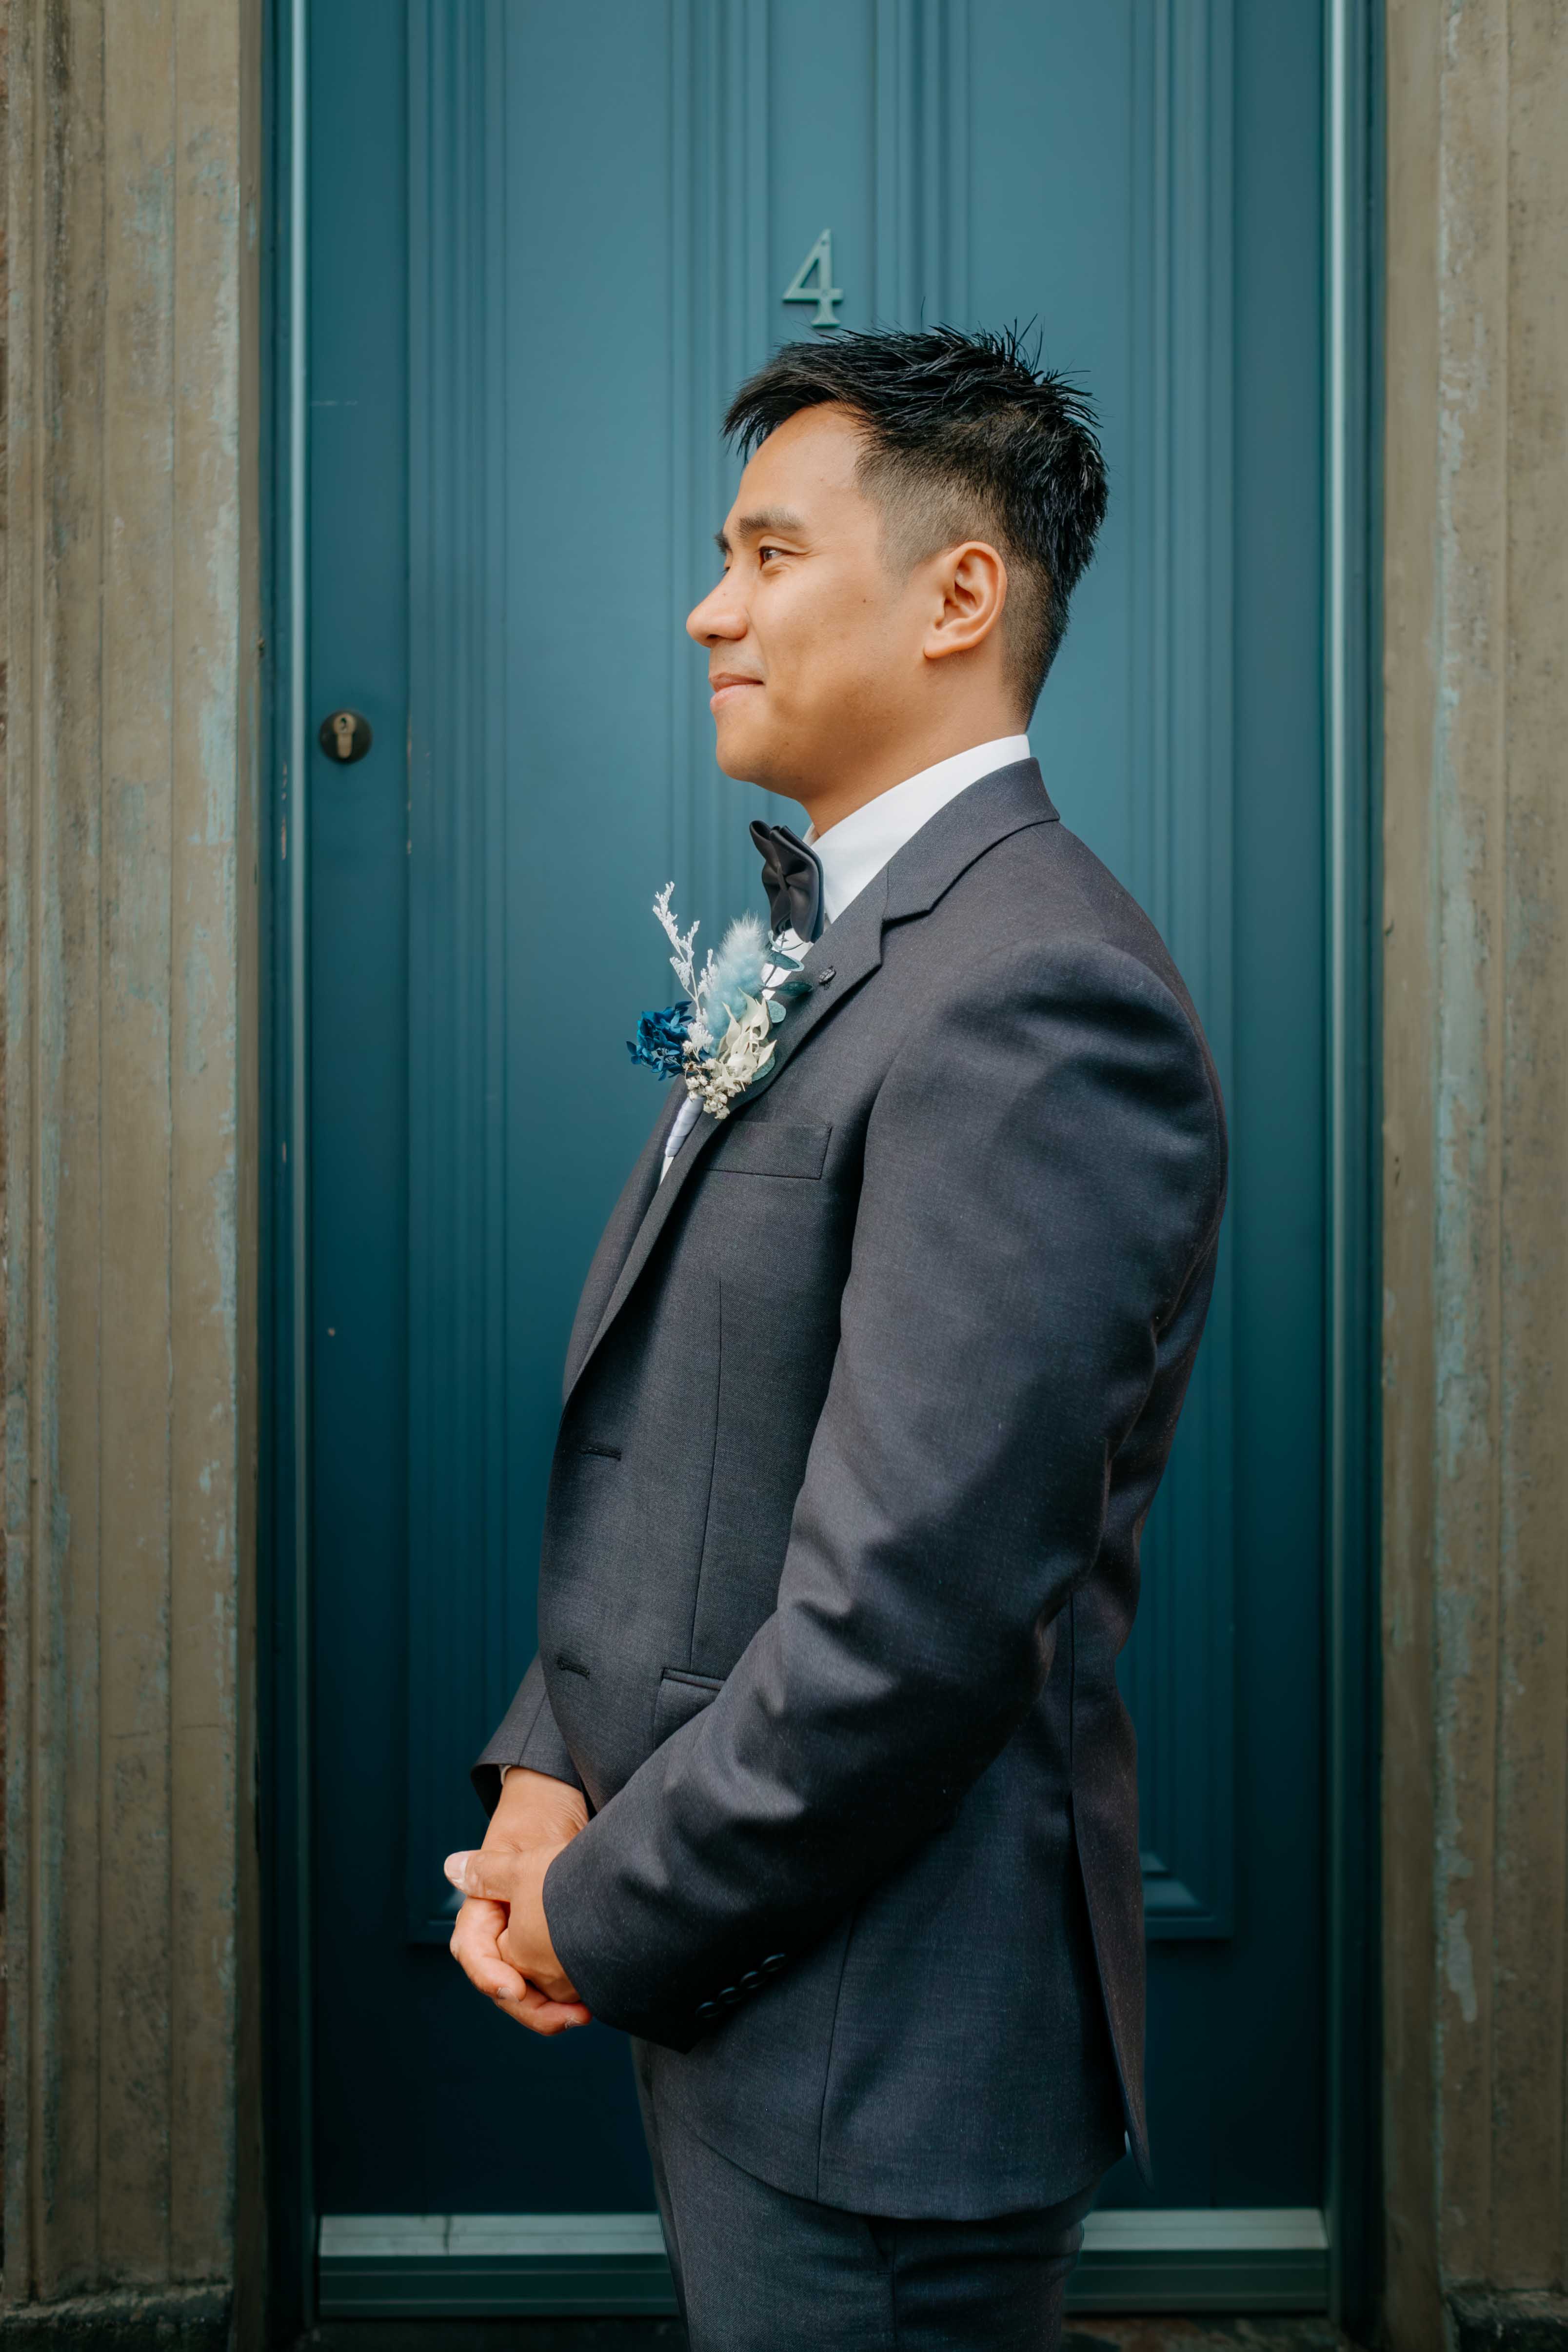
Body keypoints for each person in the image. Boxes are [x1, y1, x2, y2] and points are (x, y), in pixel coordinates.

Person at [444, 326, 1227, 2351]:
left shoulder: (1040, 1001)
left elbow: (911, 1628)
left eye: (769, 554)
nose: (711, 609)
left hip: (885, 2068)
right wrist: (553, 1766)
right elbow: (702, 1441)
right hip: (753, 1978)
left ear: (959, 595)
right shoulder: (856, 943)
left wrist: (599, 1906)